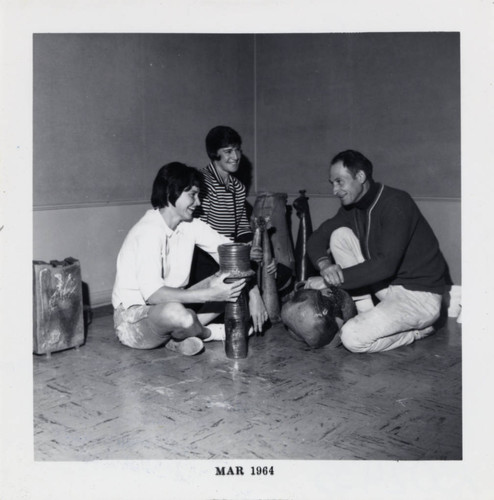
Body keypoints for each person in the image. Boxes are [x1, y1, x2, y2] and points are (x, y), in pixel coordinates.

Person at [112, 162, 265, 356]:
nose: (198, 202)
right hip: (134, 322)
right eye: (192, 195)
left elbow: (233, 257)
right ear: (170, 192)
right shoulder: (148, 231)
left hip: (174, 309)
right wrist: (211, 294)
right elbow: (154, 296)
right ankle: (209, 333)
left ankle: (178, 339)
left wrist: (254, 294)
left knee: (230, 277)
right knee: (176, 313)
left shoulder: (189, 225)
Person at [306, 150, 448, 353]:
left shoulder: (397, 202)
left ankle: (420, 330)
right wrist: (324, 266)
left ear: (361, 176)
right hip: (388, 288)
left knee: (352, 338)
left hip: (420, 297)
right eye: (332, 183)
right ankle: (366, 312)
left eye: (340, 182)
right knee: (339, 235)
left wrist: (331, 280)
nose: (335, 190)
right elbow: (316, 239)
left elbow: (385, 264)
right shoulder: (352, 208)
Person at [192, 125, 288, 305]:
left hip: (232, 255)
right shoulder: (203, 182)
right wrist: (240, 257)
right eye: (228, 151)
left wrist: (254, 248)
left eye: (237, 150)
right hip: (207, 259)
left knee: (280, 270)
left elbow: (242, 227)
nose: (235, 157)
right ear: (214, 153)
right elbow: (199, 234)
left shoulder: (238, 187)